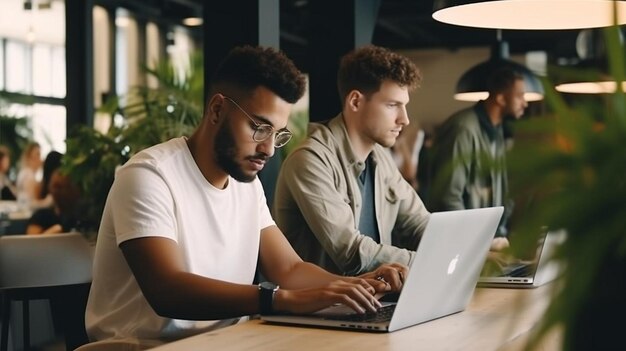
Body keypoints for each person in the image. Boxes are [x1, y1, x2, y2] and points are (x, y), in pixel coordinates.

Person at [85, 45, 406, 348]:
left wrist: (351, 286)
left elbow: (289, 269)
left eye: (277, 133)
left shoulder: (246, 184)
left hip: (226, 342)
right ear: (217, 110)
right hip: (143, 346)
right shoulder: (149, 175)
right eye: (259, 127)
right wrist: (281, 299)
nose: (268, 148)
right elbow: (167, 290)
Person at [273, 45, 431, 276]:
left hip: (376, 300)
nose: (404, 119)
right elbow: (352, 253)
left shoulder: (380, 159)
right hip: (325, 309)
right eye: (392, 105)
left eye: (404, 106)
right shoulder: (310, 160)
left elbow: (419, 223)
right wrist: (432, 262)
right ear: (355, 102)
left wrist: (469, 251)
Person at [428, 67, 528, 252]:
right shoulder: (463, 129)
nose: (525, 103)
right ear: (500, 98)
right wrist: (475, 244)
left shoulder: (498, 131)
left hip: (489, 243)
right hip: (461, 247)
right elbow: (448, 196)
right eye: (520, 96)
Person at [26, 168, 82, 234]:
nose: (59, 192)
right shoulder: (40, 217)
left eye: (65, 187)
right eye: (57, 187)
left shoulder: (80, 218)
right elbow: (31, 242)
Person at [16, 142, 43, 209]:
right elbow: (30, 203)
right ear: (30, 157)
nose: (40, 159)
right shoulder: (28, 175)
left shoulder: (25, 173)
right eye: (38, 154)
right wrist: (48, 202)